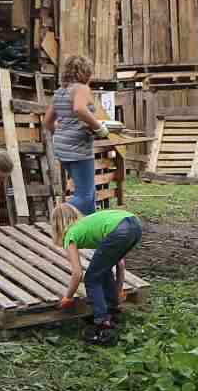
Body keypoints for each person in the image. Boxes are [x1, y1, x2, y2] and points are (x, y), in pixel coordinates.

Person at [54, 202, 143, 344]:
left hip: (120, 229)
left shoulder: (70, 234)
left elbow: (77, 274)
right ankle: (112, 312)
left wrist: (67, 298)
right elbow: (120, 264)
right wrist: (118, 291)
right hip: (135, 225)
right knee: (103, 270)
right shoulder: (90, 224)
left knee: (91, 278)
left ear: (57, 225)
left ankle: (102, 324)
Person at [49, 57, 112, 214]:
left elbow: (47, 122)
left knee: (88, 193)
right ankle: (60, 214)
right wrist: (98, 128)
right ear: (85, 72)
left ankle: (90, 225)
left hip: (62, 149)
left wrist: (64, 132)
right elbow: (79, 108)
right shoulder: (81, 88)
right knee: (85, 196)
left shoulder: (59, 92)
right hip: (79, 149)